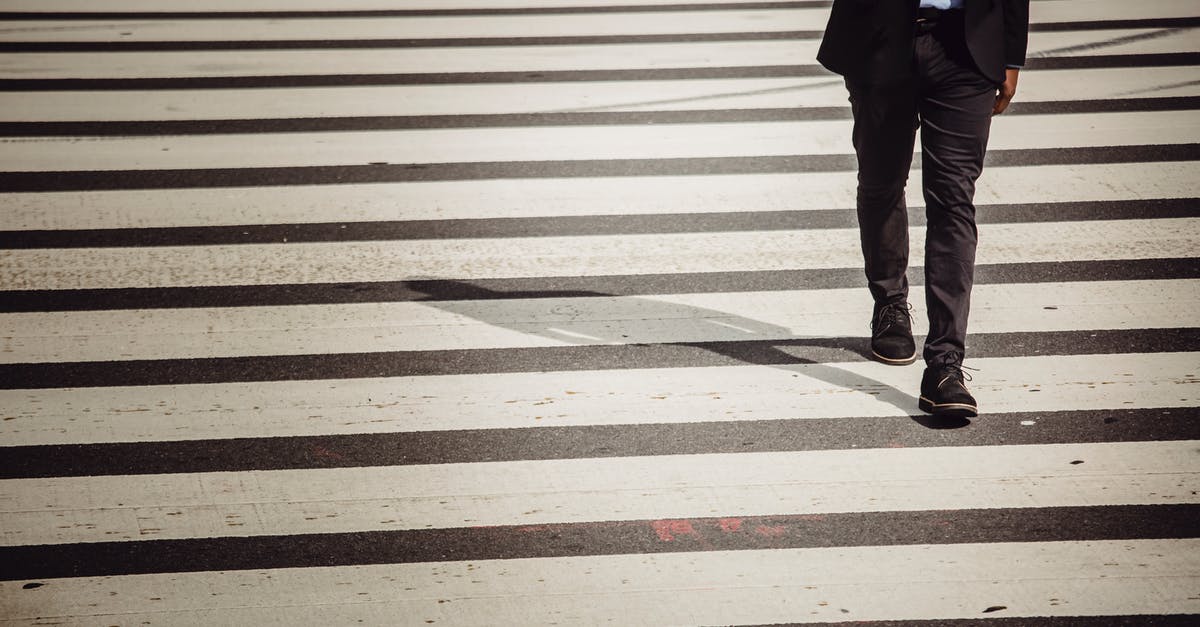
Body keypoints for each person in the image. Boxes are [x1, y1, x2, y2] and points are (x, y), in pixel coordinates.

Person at [817, 0, 1030, 418]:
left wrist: (1010, 52)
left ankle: (945, 364)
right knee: (881, 183)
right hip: (879, 37)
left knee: (953, 201)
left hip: (967, 47)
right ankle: (890, 301)